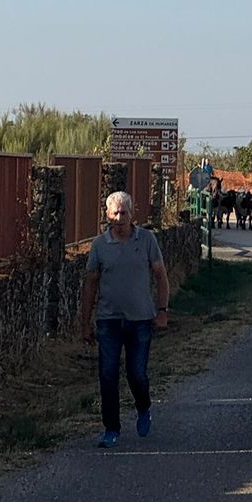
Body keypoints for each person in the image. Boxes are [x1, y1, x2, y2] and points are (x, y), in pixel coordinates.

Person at [80, 191, 170, 448]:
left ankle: (143, 408)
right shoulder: (99, 246)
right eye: (115, 213)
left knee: (136, 373)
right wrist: (84, 323)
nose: (120, 218)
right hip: (108, 320)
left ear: (133, 215)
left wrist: (162, 310)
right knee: (107, 375)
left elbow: (161, 276)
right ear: (107, 215)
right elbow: (90, 285)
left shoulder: (147, 240)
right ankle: (111, 429)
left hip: (141, 319)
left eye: (124, 213)